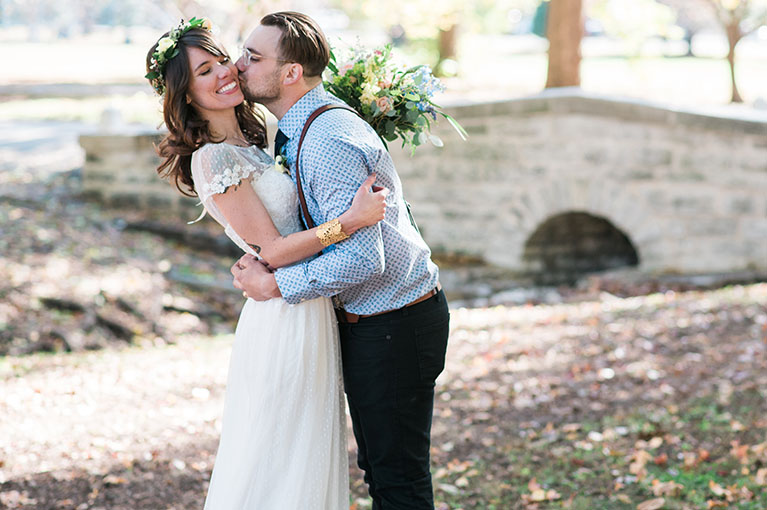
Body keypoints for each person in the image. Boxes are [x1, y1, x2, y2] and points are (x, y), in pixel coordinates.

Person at [144, 18, 389, 509]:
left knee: (309, 451)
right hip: (283, 315)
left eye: (222, 61)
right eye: (204, 73)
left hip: (309, 303)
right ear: (185, 95)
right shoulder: (213, 159)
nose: (225, 74)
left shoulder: (262, 138)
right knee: (276, 455)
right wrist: (352, 220)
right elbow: (274, 250)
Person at [231, 12, 450, 509]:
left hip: (394, 322)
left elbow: (362, 260)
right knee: (383, 470)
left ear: (291, 74)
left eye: (254, 57)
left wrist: (278, 286)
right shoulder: (304, 125)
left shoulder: (326, 138)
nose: (238, 66)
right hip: (378, 321)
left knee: (397, 480)